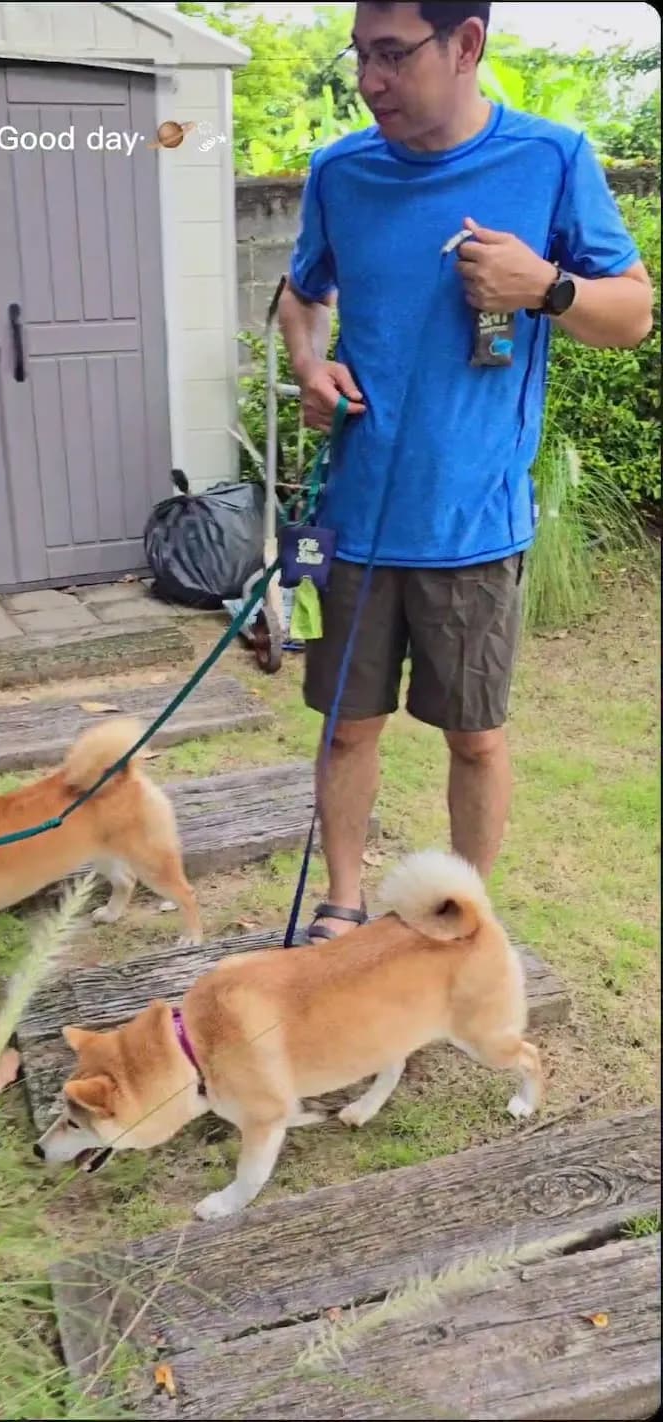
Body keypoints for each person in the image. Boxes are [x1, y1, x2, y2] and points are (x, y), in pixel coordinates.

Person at [278, 0, 653, 942]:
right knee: (346, 724)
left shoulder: (553, 159)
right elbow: (301, 295)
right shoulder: (339, 170)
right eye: (360, 55)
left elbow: (633, 313)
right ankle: (343, 902)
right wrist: (308, 367)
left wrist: (548, 287)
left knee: (475, 735)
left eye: (393, 55)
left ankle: (464, 921)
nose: (370, 80)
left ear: (468, 44)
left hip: (474, 524)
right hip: (356, 516)